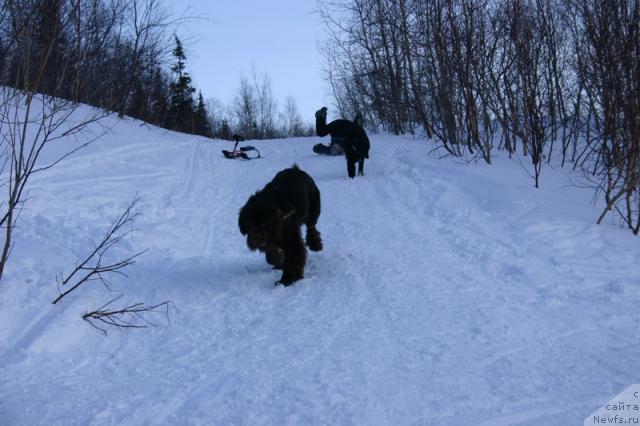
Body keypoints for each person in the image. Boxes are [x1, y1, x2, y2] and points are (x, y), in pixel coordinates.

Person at [313, 106, 370, 178]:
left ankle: (320, 116)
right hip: (348, 128)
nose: (334, 149)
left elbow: (316, 148)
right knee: (357, 132)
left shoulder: (328, 150)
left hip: (338, 125)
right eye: (336, 149)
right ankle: (358, 119)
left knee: (321, 132)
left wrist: (321, 149)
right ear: (341, 149)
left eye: (333, 148)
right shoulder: (347, 148)